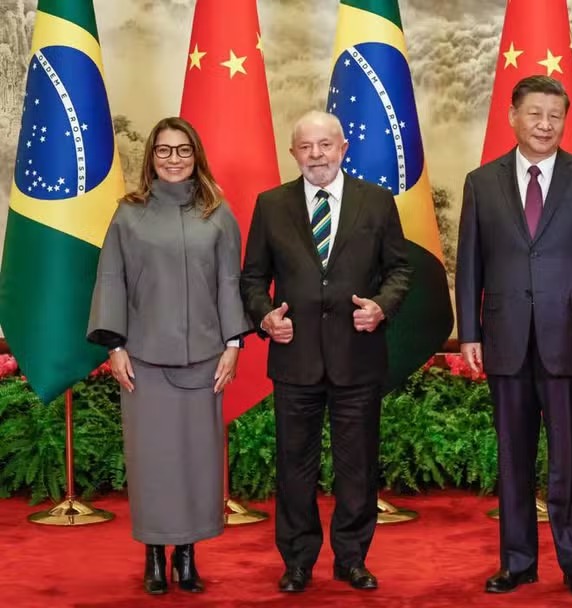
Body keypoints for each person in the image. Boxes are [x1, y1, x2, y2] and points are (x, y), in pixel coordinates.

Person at [455, 75, 572, 598]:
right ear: (513, 116)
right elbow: (469, 264)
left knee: (570, 459)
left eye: (555, 116)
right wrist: (469, 333)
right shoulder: (481, 183)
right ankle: (517, 562)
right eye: (535, 114)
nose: (545, 125)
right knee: (513, 459)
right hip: (505, 338)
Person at [240, 110, 411, 594]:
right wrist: (265, 317)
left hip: (358, 356)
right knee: (295, 467)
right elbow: (252, 278)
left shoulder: (376, 201)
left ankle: (352, 559)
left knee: (357, 466)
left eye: (325, 145)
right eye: (306, 147)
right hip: (295, 359)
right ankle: (297, 561)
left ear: (343, 148)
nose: (316, 155)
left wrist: (380, 307)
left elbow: (400, 270)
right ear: (293, 153)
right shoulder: (271, 204)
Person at [87, 117, 251, 595]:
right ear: (151, 157)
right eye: (164, 150)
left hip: (205, 361)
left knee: (196, 463)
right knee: (153, 463)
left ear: (196, 155)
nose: (173, 159)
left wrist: (233, 345)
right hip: (143, 361)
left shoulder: (217, 213)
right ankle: (154, 556)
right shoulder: (129, 213)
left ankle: (187, 556)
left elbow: (229, 282)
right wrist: (115, 346)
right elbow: (111, 279)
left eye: (183, 150)